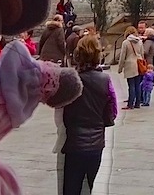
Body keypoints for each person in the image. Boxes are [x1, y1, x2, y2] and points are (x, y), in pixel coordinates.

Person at [60, 34, 117, 195]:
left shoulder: (70, 79)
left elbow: (63, 110)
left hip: (74, 142)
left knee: (71, 187)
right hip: (96, 142)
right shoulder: (105, 80)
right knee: (92, 187)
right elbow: (112, 112)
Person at [117, 26, 146, 110]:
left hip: (130, 64)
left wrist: (120, 68)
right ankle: (138, 103)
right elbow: (142, 53)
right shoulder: (140, 41)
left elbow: (123, 56)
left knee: (131, 85)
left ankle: (130, 104)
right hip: (139, 63)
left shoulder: (126, 42)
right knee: (137, 84)